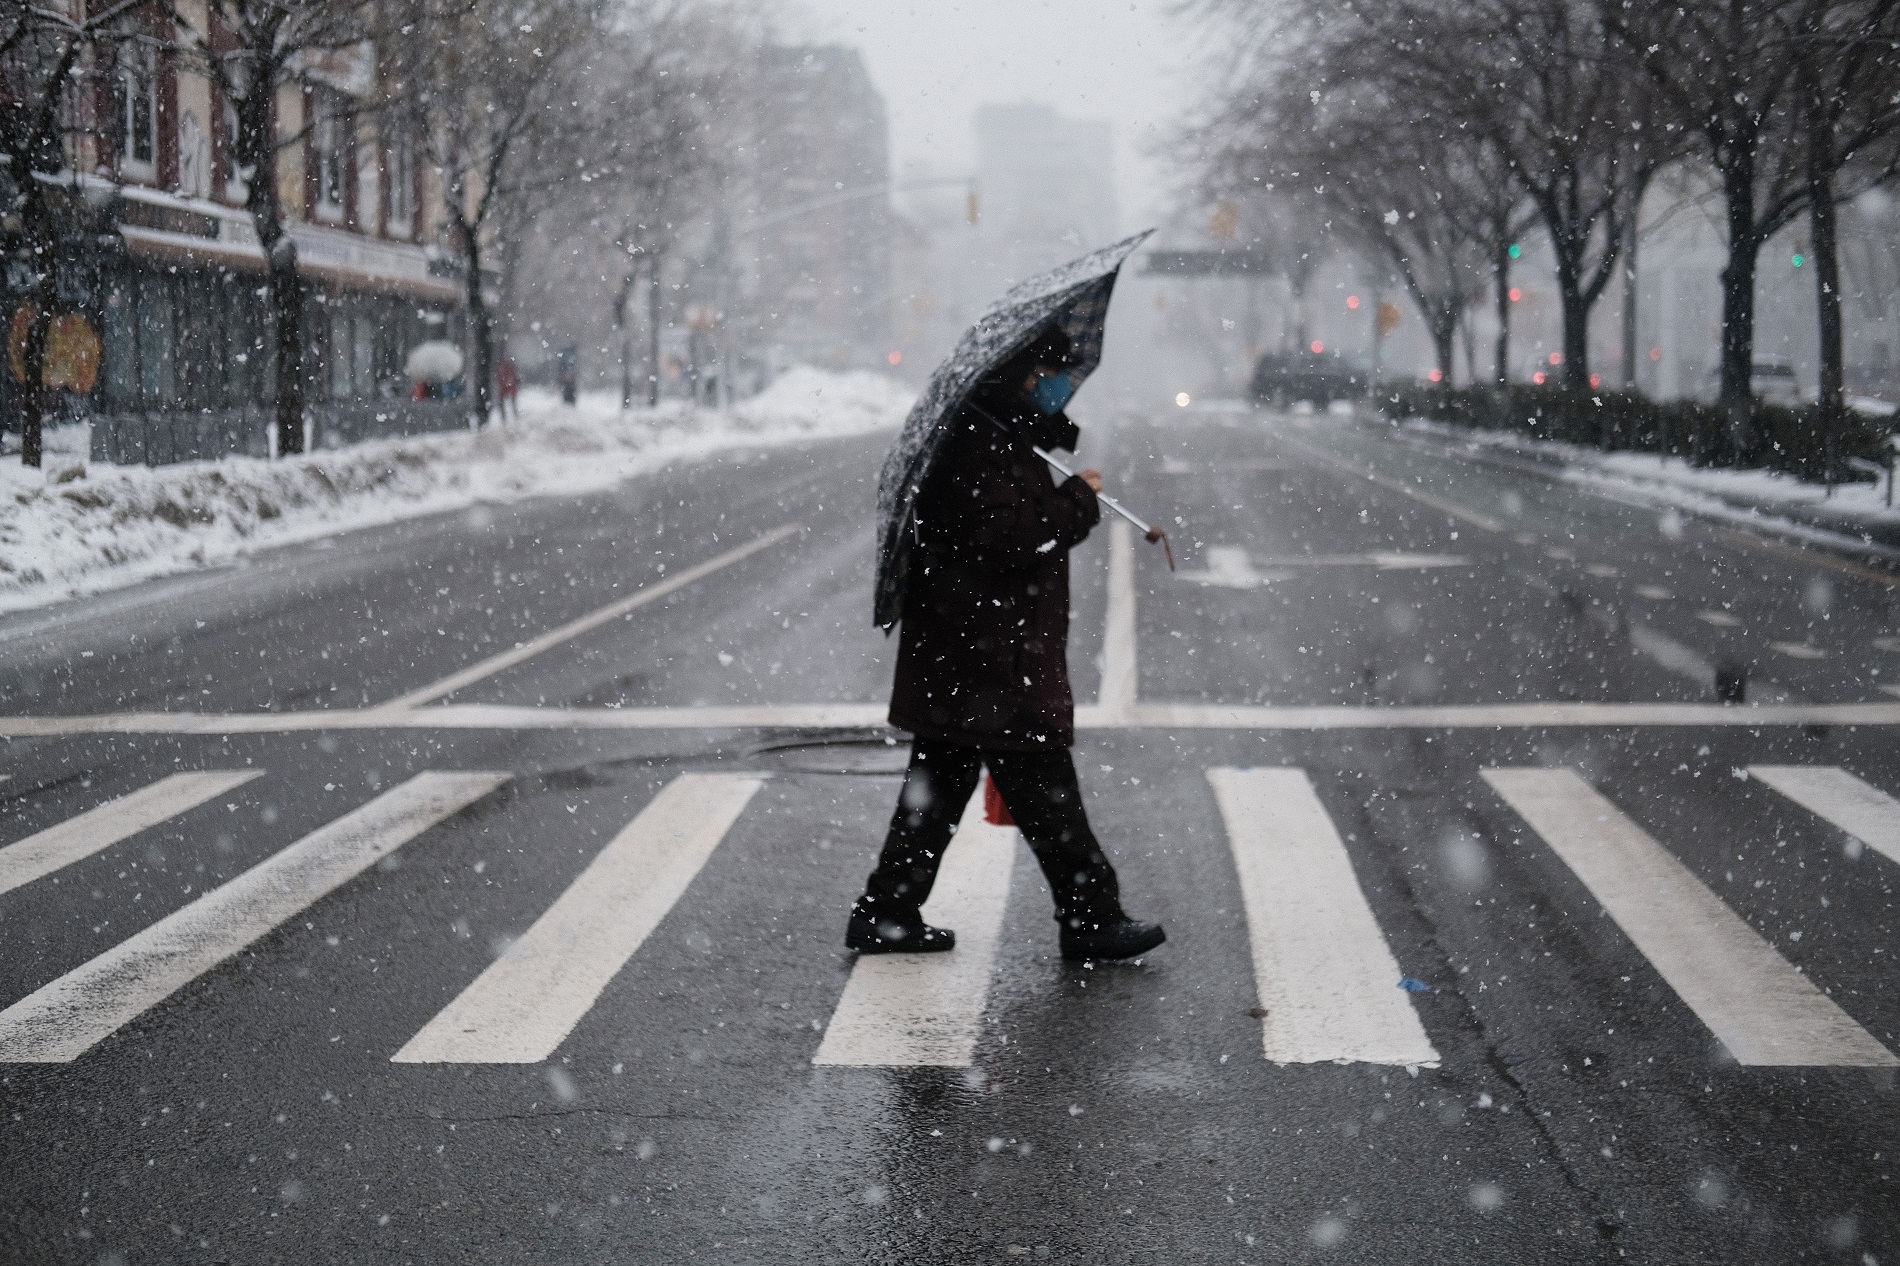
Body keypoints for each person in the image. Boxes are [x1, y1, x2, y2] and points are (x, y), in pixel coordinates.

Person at [846, 325, 1166, 961]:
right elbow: (1009, 539)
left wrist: (1062, 479)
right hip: (990, 656)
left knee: (940, 791)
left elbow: (1006, 530)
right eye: (1048, 373)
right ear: (1019, 376)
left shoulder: (997, 435)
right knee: (1042, 789)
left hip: (973, 653)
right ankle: (1090, 917)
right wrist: (1077, 500)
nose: (1057, 386)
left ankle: (888, 911)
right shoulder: (980, 443)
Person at [497, 357, 520, 421]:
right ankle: (514, 416)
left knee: (504, 404)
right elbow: (516, 378)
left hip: (505, 387)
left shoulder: (502, 367)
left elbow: (500, 378)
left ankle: (505, 417)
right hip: (509, 386)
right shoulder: (511, 367)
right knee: (512, 403)